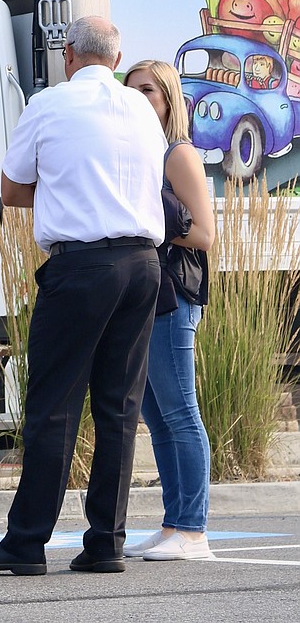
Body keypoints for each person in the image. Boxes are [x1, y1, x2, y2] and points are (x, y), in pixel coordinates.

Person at [0, 15, 165, 578]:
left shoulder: (49, 104)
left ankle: (27, 542)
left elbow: (10, 189)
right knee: (119, 410)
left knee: (54, 406)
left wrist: (60, 185)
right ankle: (106, 542)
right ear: (116, 57)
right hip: (143, 264)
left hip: (81, 267)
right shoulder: (143, 111)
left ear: (69, 53)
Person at [122, 59, 216, 561]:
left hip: (174, 297)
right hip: (146, 295)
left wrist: (151, 219)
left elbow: (204, 234)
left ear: (168, 99)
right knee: (156, 418)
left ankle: (194, 531)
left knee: (180, 413)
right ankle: (173, 524)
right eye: (131, 91)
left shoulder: (177, 155)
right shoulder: (143, 154)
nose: (138, 100)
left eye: (148, 92)